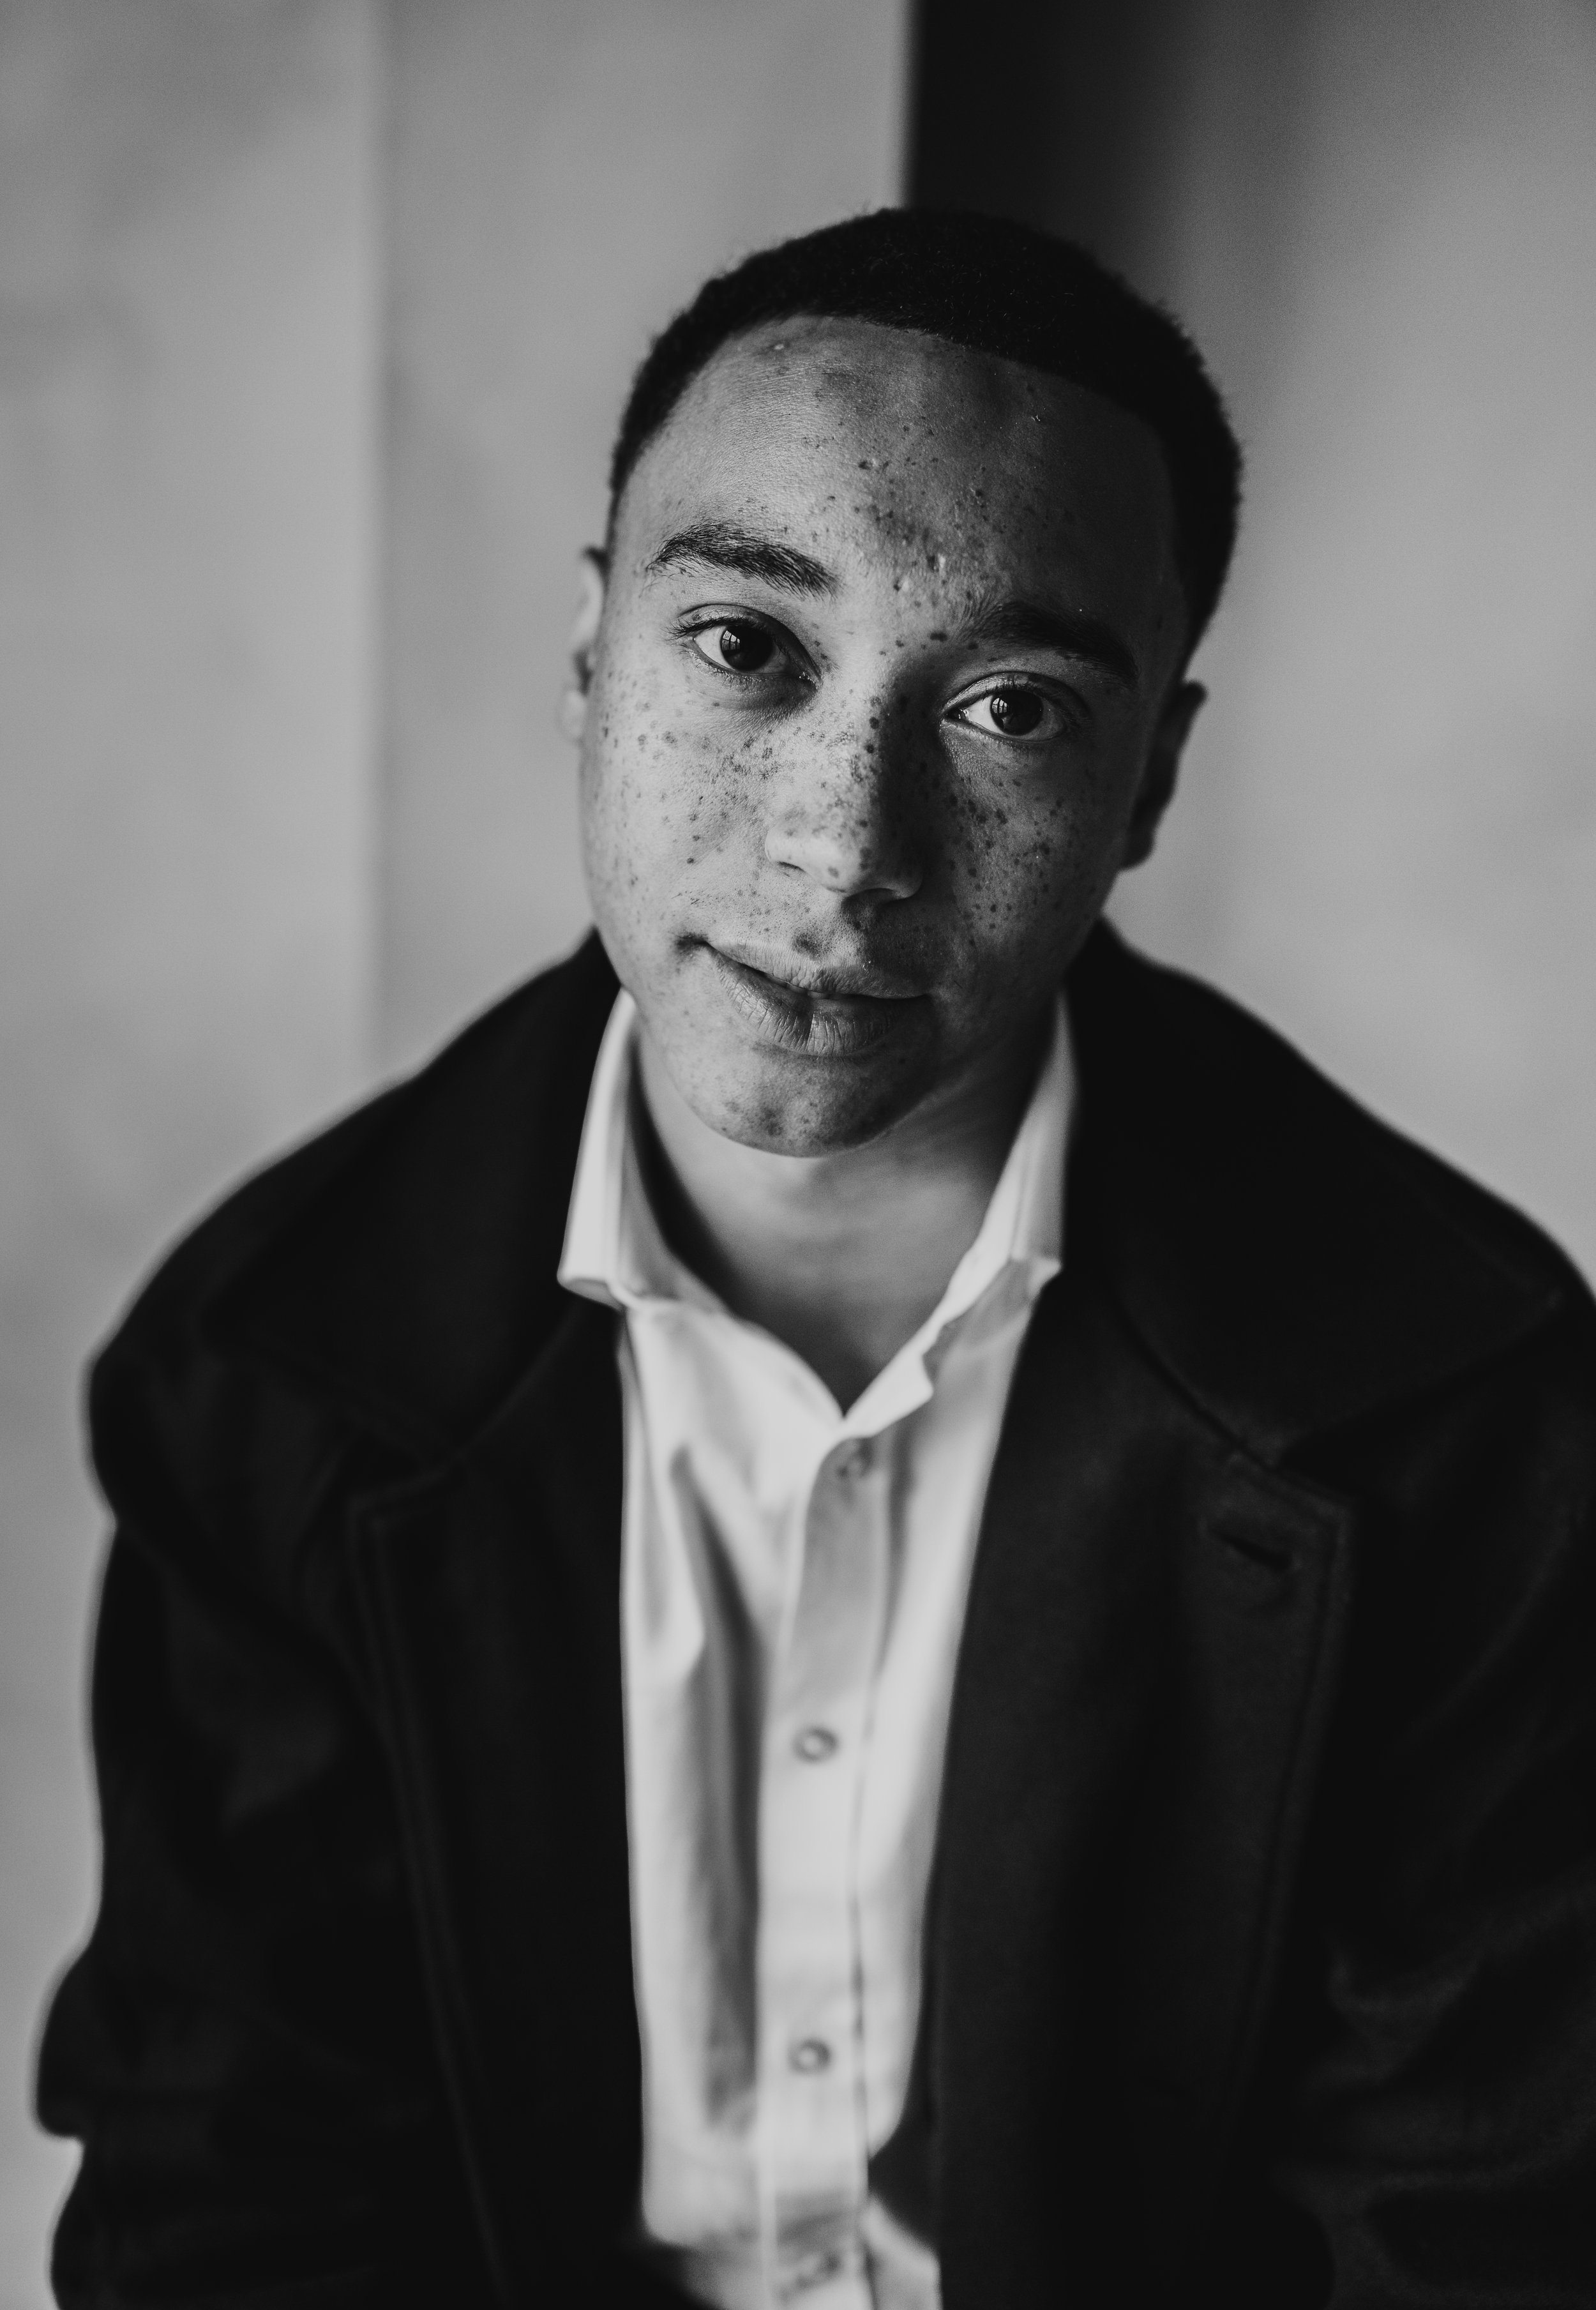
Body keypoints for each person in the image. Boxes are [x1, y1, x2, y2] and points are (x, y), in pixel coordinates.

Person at [36, 209, 1596, 2310]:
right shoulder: (264, 1379)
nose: (840, 850)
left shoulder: (1465, 1405)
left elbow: (1459, 2240)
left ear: (1152, 785)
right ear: (593, 664)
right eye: (746, 650)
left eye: (1015, 708)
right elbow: (231, 2197)